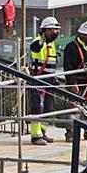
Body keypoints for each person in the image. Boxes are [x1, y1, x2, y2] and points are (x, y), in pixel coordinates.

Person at [28, 16, 61, 145]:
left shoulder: (51, 44)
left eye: (57, 30)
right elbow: (34, 48)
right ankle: (35, 136)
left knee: (49, 108)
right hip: (38, 79)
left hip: (50, 81)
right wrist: (41, 40)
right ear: (45, 30)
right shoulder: (39, 42)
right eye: (53, 30)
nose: (56, 33)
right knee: (37, 108)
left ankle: (43, 132)